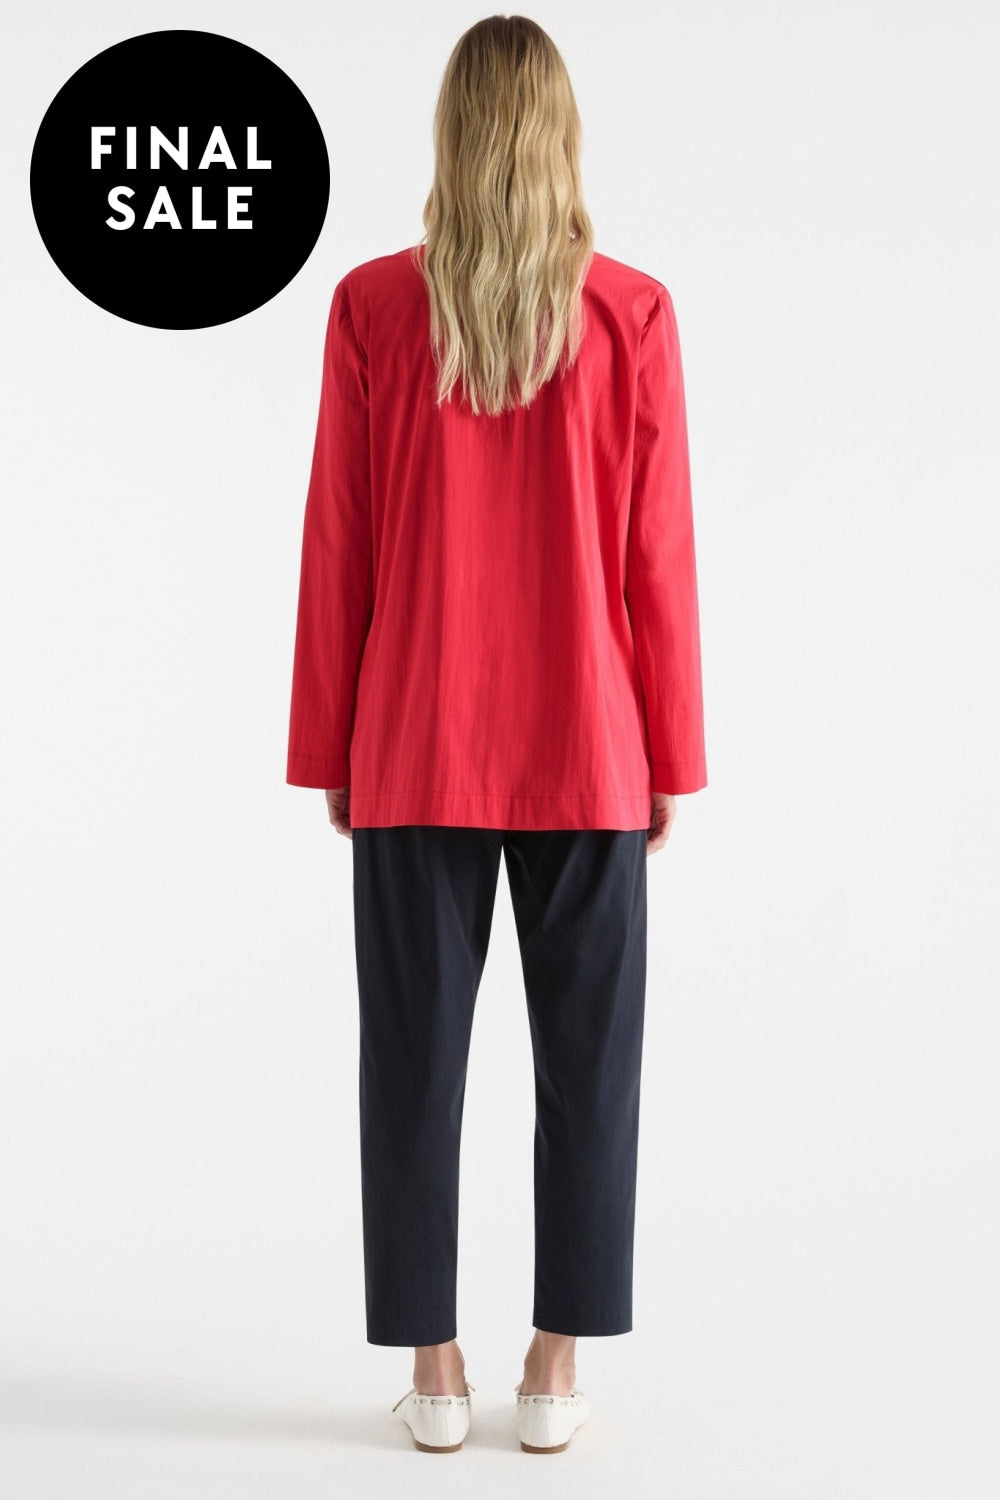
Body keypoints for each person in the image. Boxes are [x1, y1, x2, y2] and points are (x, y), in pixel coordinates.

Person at [285, 13, 707, 1456]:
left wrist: (333, 746)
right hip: (590, 744)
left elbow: (337, 543)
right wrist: (671, 753)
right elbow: (660, 558)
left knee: (410, 1064)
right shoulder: (629, 312)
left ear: (451, 132)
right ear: (560, 135)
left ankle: (437, 1365)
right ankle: (556, 1367)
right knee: (591, 1070)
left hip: (414, 738)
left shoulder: (373, 308)